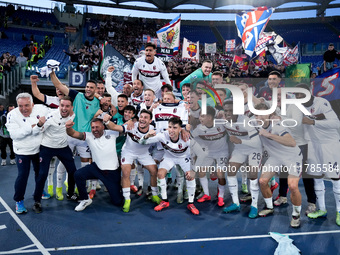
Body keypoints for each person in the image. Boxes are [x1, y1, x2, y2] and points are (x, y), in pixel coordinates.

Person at [295, 84, 340, 226]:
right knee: (317, 177)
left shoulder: (321, 103)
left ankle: (339, 211)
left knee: (335, 178)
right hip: (312, 144)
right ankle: (322, 209)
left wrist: (313, 122)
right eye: (297, 95)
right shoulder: (297, 107)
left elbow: (336, 123)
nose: (299, 97)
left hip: (329, 144)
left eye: (302, 94)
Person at [255, 103, 303, 228]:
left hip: (292, 157)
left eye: (262, 114)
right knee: (263, 181)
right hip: (275, 157)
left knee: (292, 186)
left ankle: (296, 215)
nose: (259, 117)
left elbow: (292, 142)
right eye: (257, 114)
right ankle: (269, 207)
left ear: (270, 114)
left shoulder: (277, 125)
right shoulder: (254, 123)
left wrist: (269, 134)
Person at [103, 110, 160, 212]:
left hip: (143, 153)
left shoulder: (154, 129)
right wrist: (107, 122)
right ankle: (127, 199)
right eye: (141, 117)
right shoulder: (131, 125)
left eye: (146, 117)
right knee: (125, 172)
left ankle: (155, 195)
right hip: (128, 152)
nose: (142, 119)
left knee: (154, 171)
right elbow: (115, 127)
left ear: (150, 120)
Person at [140, 117, 199, 215]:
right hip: (169, 157)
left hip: (184, 157)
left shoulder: (187, 138)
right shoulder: (162, 135)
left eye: (175, 128)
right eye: (170, 127)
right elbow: (142, 142)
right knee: (160, 174)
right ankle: (165, 201)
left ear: (180, 129)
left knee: (190, 176)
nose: (171, 130)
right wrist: (147, 136)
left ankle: (191, 203)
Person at [32, 96, 78, 213]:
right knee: (42, 174)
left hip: (63, 147)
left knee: (73, 171)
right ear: (59, 105)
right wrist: (38, 124)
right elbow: (37, 131)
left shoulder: (72, 115)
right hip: (47, 147)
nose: (64, 108)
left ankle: (70, 193)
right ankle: (37, 201)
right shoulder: (50, 116)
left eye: (67, 106)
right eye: (62, 105)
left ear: (71, 107)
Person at [66, 118, 123, 211]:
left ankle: (118, 189)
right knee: (78, 174)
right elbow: (72, 133)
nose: (95, 129)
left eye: (97, 127)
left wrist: (110, 122)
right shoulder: (88, 136)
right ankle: (85, 199)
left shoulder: (112, 133)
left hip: (111, 172)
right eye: (93, 127)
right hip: (96, 168)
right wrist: (68, 127)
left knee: (117, 202)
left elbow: (123, 129)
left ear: (103, 127)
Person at [6, 93, 49, 214]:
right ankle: (19, 201)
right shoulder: (12, 115)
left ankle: (39, 191)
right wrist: (34, 127)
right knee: (23, 176)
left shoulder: (41, 109)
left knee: (39, 174)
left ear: (32, 104)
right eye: (20, 106)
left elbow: (55, 113)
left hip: (38, 148)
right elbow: (15, 135)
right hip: (22, 151)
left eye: (27, 105)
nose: (24, 109)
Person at [221, 101, 262, 218]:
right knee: (231, 171)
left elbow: (257, 142)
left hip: (254, 149)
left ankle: (254, 206)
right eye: (226, 111)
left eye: (231, 110)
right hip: (239, 150)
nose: (228, 113)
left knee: (253, 174)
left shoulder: (246, 121)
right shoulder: (223, 121)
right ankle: (235, 203)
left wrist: (241, 141)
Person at [192, 106, 228, 207]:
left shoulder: (222, 124)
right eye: (200, 116)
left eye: (203, 116)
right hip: (208, 153)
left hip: (222, 152)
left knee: (220, 175)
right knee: (202, 171)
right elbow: (191, 140)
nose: (200, 118)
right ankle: (207, 194)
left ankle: (221, 196)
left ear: (210, 117)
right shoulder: (199, 129)